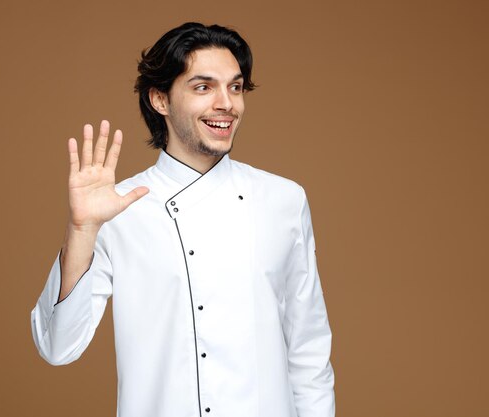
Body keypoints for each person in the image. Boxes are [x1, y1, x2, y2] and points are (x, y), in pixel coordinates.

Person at [31, 22, 335, 417]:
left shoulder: (284, 200)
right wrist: (82, 230)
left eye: (236, 87)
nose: (226, 103)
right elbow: (58, 348)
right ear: (160, 99)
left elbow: (309, 351)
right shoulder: (119, 208)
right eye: (203, 87)